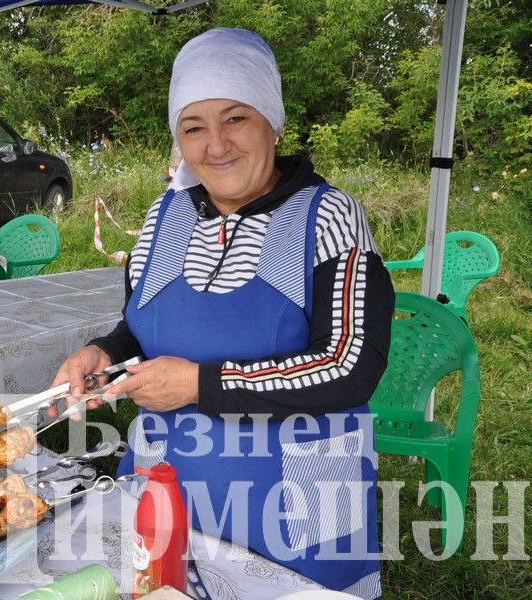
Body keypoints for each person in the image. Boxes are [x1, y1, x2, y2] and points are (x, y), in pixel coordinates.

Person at [49, 28, 393, 598]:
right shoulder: (165, 214)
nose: (216, 145)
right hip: (167, 485)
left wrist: (200, 385)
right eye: (193, 127)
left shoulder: (328, 216)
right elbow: (142, 324)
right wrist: (104, 352)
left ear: (272, 123)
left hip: (293, 504)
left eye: (235, 119)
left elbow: (350, 364)